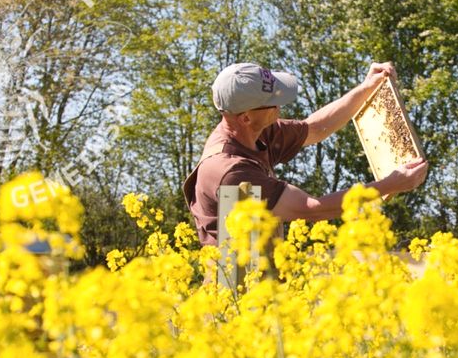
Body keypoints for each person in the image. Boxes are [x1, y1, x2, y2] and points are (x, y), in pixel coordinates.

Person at [183, 61, 428, 246]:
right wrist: (388, 185)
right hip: (233, 301)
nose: (279, 107)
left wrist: (366, 88)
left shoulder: (255, 131)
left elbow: (315, 128)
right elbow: (312, 208)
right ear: (245, 117)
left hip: (260, 288)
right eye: (272, 103)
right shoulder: (231, 170)